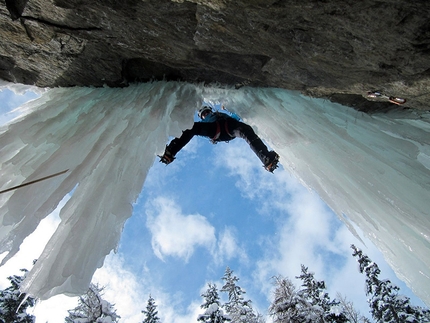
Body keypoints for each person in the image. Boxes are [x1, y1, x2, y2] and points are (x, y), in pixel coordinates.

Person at [159, 106, 280, 172]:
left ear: (210, 110)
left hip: (229, 126)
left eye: (206, 112)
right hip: (215, 129)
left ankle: (266, 159)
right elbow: (197, 130)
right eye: (203, 114)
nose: (206, 114)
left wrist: (230, 106)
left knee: (246, 130)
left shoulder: (219, 115)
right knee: (191, 128)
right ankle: (170, 151)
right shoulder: (205, 121)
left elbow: (237, 114)